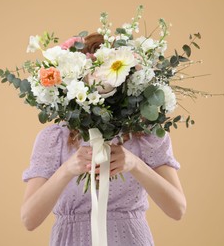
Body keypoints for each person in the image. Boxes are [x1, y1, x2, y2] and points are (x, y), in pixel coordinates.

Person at [20, 34, 186, 246]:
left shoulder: (145, 135)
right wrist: (68, 169)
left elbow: (177, 209)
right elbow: (29, 219)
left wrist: (135, 164)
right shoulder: (54, 139)